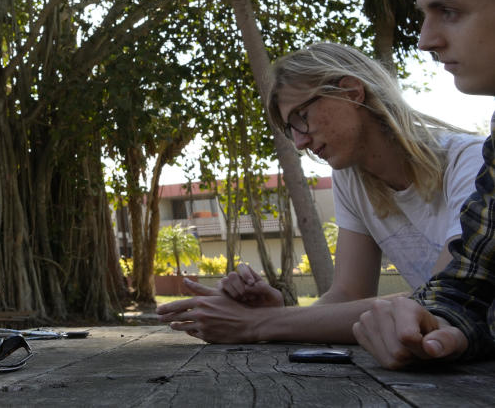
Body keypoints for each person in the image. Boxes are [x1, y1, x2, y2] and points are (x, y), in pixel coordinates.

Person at [156, 42, 483, 344]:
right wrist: (278, 314)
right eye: (290, 129)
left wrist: (258, 324)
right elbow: (347, 294)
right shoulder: (351, 179)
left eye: (302, 117)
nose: (300, 143)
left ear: (352, 92)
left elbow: (443, 300)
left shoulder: (472, 164)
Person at [354, 0, 495, 368]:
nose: (425, 40)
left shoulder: (466, 157)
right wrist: (434, 324)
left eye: (448, 12)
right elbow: (469, 287)